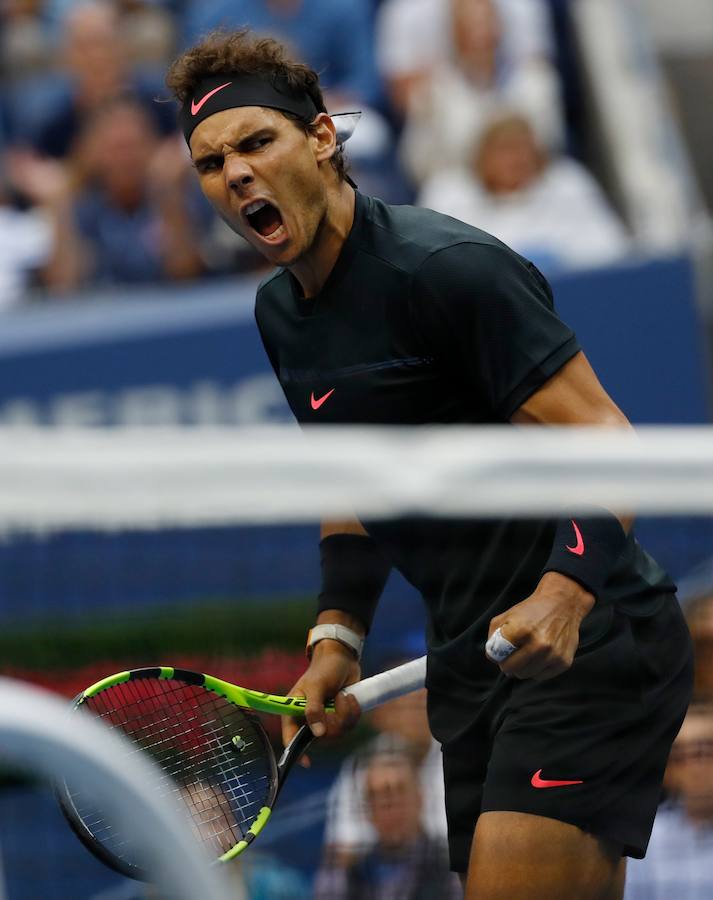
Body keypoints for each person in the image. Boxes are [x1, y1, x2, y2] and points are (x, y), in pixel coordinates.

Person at [166, 29, 693, 899]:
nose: (235, 174)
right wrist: (336, 637)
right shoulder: (279, 314)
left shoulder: (447, 269)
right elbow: (353, 481)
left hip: (589, 642)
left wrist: (562, 596)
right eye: (211, 163)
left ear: (323, 139)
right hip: (474, 660)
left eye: (257, 141)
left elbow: (603, 436)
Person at [418, 110, 629, 275]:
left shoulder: (568, 184)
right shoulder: (450, 195)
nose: (516, 160)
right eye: (505, 149)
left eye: (523, 149)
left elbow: (611, 247)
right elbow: (433, 264)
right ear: (482, 156)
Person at [314, 749, 462, 899]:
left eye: (399, 791)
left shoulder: (449, 865)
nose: (389, 804)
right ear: (367, 809)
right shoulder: (353, 873)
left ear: (419, 798)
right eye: (377, 796)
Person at [624, 703, 713, 899]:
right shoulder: (645, 840)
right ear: (668, 771)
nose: (694, 768)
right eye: (680, 756)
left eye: (704, 752)